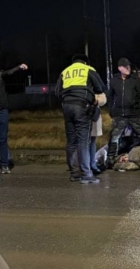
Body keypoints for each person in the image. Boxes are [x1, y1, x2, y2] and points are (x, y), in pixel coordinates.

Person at [56, 54, 106, 184]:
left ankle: (74, 174)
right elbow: (101, 88)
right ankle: (86, 174)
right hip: (81, 106)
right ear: (85, 62)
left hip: (67, 107)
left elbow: (57, 92)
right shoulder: (88, 69)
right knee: (83, 141)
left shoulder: (65, 71)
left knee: (71, 141)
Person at [106, 57, 140, 168]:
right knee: (114, 137)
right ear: (119, 68)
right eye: (125, 67)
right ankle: (110, 159)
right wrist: (111, 111)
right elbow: (110, 96)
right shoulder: (114, 80)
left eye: (129, 66)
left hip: (134, 114)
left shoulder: (135, 80)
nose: (128, 68)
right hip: (119, 115)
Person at [89, 92, 107, 174]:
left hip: (93, 115)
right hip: (81, 114)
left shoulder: (95, 86)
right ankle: (83, 164)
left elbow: (103, 99)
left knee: (92, 141)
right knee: (82, 142)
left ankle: (92, 164)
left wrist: (97, 101)